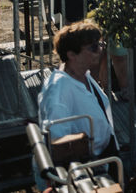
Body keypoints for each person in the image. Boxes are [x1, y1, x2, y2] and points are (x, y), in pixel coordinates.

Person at [38, 21, 118, 159]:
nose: (100, 50)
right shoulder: (59, 90)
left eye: (100, 45)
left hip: (105, 154)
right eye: (93, 47)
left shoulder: (83, 74)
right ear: (72, 55)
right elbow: (58, 144)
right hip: (91, 164)